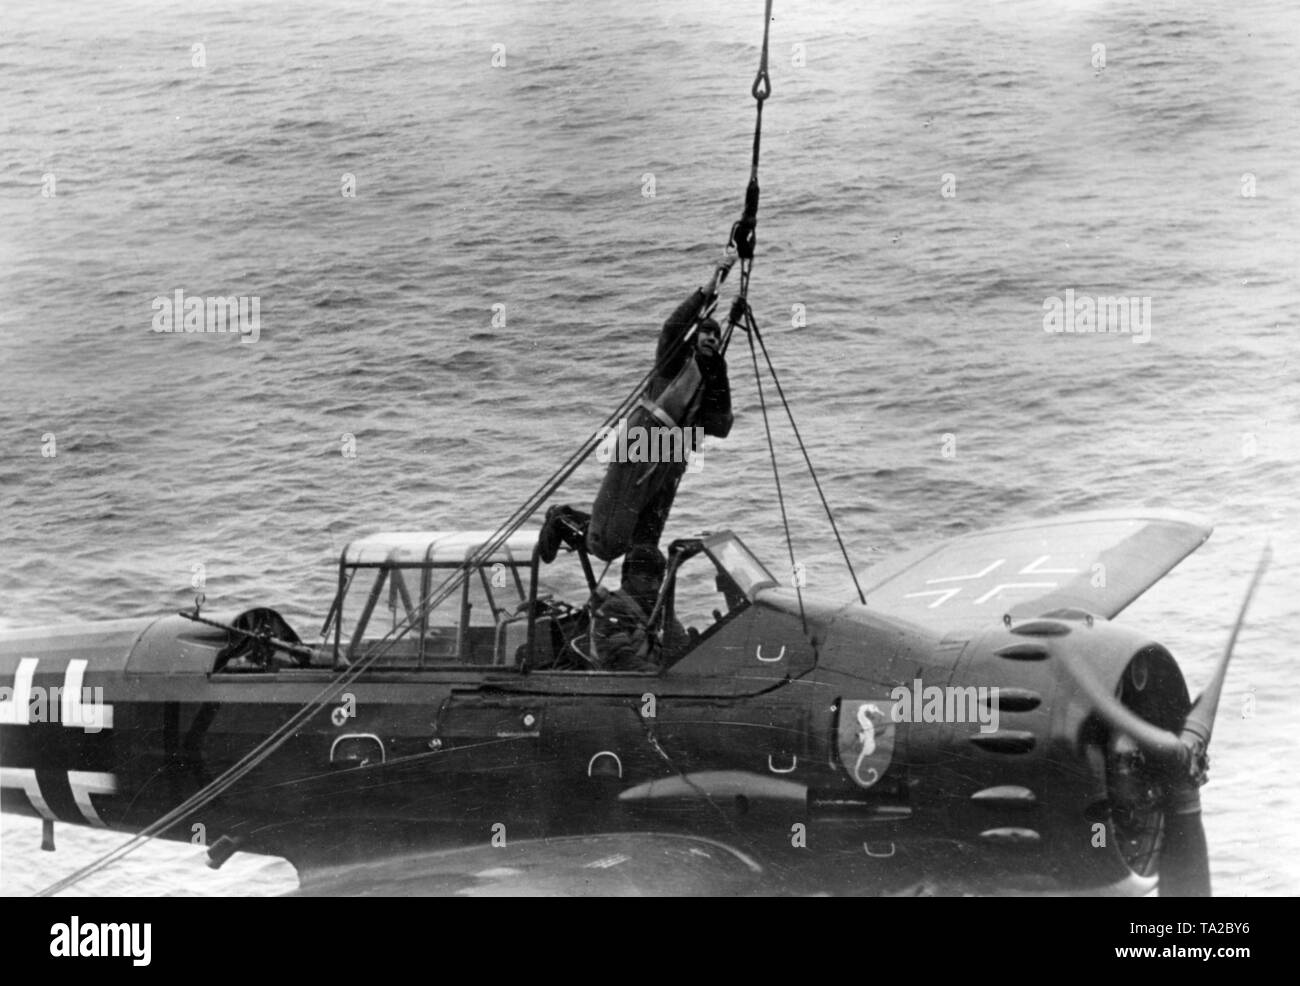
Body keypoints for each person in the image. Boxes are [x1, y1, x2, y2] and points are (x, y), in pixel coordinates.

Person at [586, 254, 737, 561]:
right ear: (696, 340)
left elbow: (720, 426)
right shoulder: (673, 365)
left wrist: (720, 372)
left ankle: (638, 593)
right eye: (706, 332)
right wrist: (707, 290)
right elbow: (672, 327)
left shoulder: (710, 383)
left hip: (670, 461)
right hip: (642, 446)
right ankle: (562, 521)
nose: (711, 338)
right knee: (610, 536)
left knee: (647, 539)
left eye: (716, 336)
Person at [586, 544, 688, 671]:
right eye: (647, 579)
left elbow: (681, 642)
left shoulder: (656, 604)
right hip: (628, 685)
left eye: (660, 579)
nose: (655, 587)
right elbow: (622, 663)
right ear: (630, 576)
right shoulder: (611, 611)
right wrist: (668, 677)